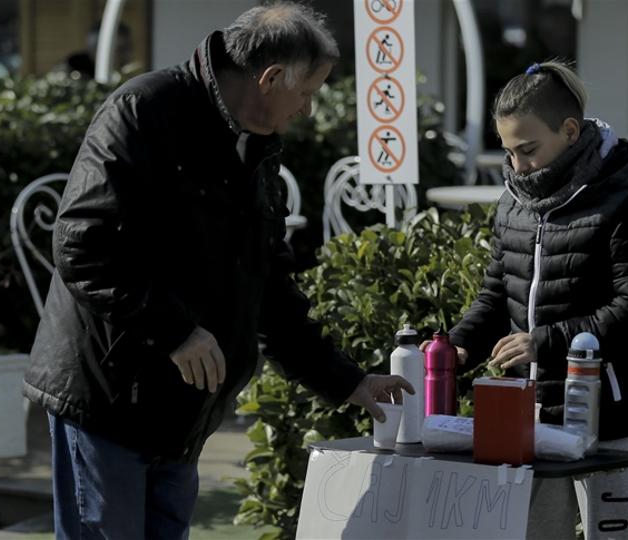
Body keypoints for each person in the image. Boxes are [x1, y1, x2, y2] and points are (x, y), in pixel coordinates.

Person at [24, 3, 414, 538]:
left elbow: (268, 289)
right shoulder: (145, 108)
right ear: (271, 78)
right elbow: (82, 245)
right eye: (307, 92)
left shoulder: (258, 145)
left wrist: (348, 381)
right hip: (107, 399)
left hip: (181, 413)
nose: (307, 109)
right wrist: (176, 331)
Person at [444, 61, 628, 539]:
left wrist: (544, 342)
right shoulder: (513, 200)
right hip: (529, 419)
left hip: (612, 415)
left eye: (528, 150)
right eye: (507, 151)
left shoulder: (627, 197)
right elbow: (496, 292)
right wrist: (458, 346)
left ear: (569, 131)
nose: (517, 166)